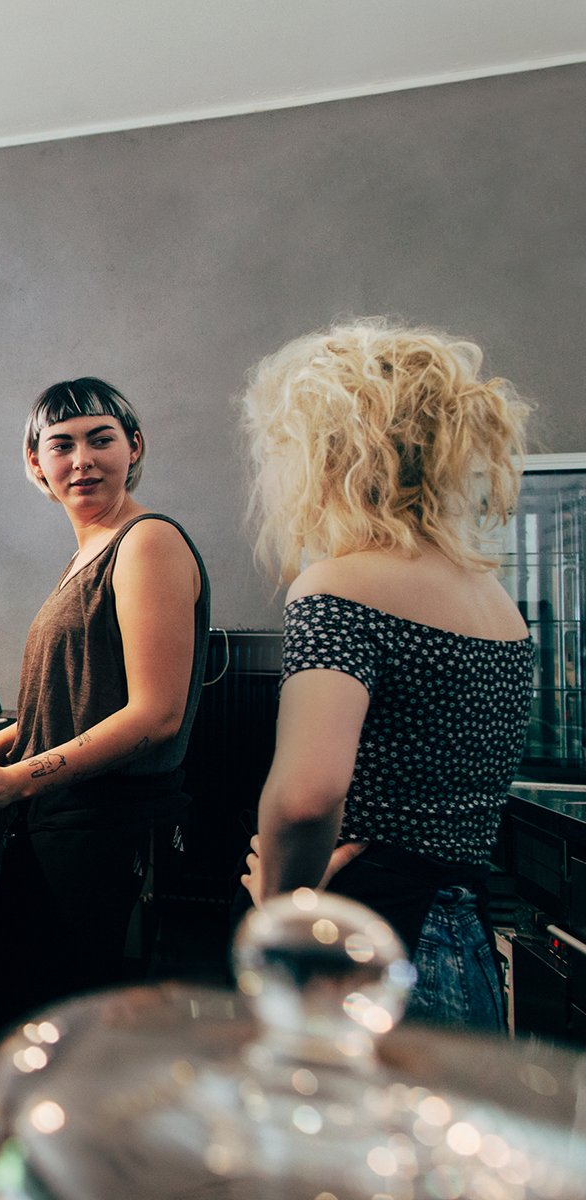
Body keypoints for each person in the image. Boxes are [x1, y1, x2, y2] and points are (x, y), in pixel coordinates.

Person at [238, 320, 531, 1030]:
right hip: (466, 944)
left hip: (368, 946)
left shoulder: (336, 585)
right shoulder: (496, 601)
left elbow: (308, 796)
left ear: (330, 450)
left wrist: (283, 906)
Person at [0, 378, 209, 1044]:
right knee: (18, 1028)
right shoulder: (86, 553)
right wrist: (0, 746)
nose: (82, 460)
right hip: (64, 823)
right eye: (61, 444)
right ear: (37, 463)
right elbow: (73, 697)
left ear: (134, 447)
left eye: (101, 439)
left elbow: (155, 716)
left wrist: (17, 779)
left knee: (66, 1049)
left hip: (110, 834)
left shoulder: (147, 542)